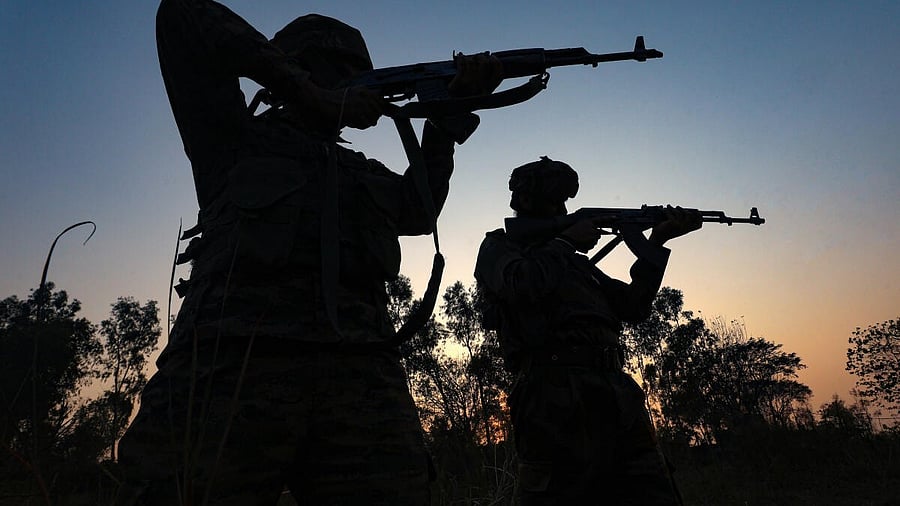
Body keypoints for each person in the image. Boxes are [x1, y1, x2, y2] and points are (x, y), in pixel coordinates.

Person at [115, 1, 500, 504]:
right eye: (342, 71)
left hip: (362, 380)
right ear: (296, 68)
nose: (363, 84)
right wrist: (310, 95)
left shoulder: (363, 171)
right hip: (230, 373)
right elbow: (183, 14)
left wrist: (445, 120)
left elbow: (417, 212)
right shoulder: (232, 139)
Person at [474, 157, 702, 505]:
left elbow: (633, 308)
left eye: (564, 202)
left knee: (652, 490)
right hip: (551, 396)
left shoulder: (577, 265)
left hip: (615, 393)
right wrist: (565, 243)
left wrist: (656, 241)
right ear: (525, 202)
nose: (561, 210)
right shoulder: (499, 249)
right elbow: (521, 284)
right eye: (553, 201)